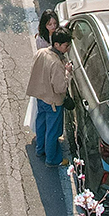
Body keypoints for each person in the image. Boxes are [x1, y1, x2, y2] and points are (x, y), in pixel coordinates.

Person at [25, 27, 73, 167]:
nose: (67, 48)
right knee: (52, 132)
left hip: (41, 96)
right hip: (53, 101)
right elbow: (60, 88)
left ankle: (40, 149)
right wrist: (67, 73)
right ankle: (52, 159)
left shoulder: (41, 53)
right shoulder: (56, 64)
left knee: (41, 124)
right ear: (57, 45)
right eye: (66, 45)